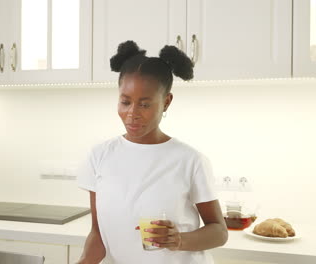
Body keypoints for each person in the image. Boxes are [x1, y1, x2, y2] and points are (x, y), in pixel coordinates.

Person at [77, 40, 228, 264]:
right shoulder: (100, 156)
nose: (132, 114)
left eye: (145, 104)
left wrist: (179, 240)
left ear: (166, 102)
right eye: (125, 101)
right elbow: (99, 235)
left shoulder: (189, 161)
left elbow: (219, 231)